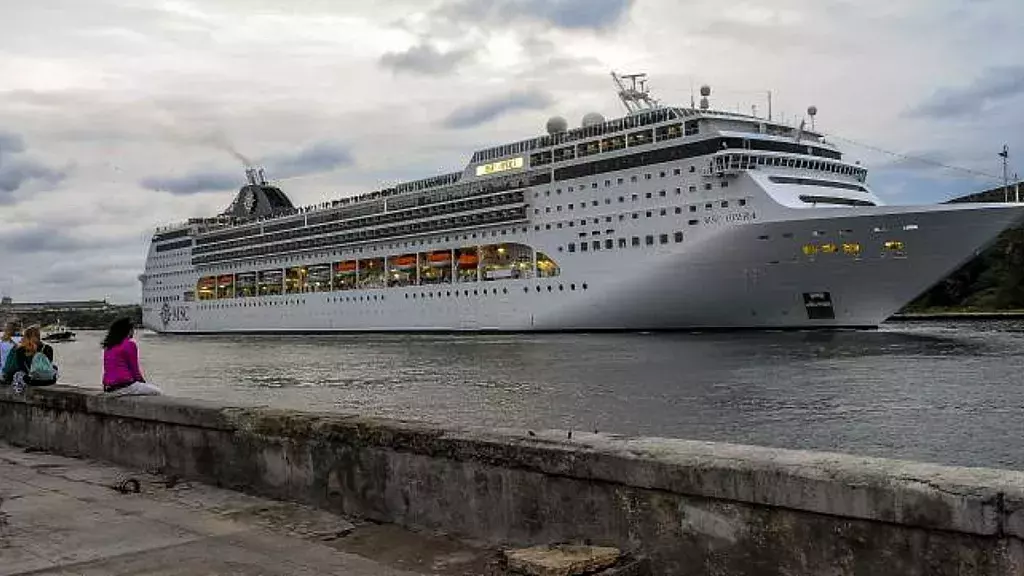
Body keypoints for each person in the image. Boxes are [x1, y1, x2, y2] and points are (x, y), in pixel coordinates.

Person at [101, 318, 160, 397]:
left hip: (109, 388)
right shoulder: (130, 344)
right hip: (124, 386)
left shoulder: (109, 346)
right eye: (132, 329)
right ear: (128, 330)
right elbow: (135, 370)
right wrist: (143, 383)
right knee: (157, 392)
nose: (133, 332)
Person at [1, 325, 58, 391]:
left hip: (30, 379)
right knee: (54, 368)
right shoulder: (48, 348)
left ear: (28, 338)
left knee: (18, 374)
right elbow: (48, 366)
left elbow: (22, 368)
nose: (22, 338)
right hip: (48, 379)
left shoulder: (20, 350)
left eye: (24, 337)